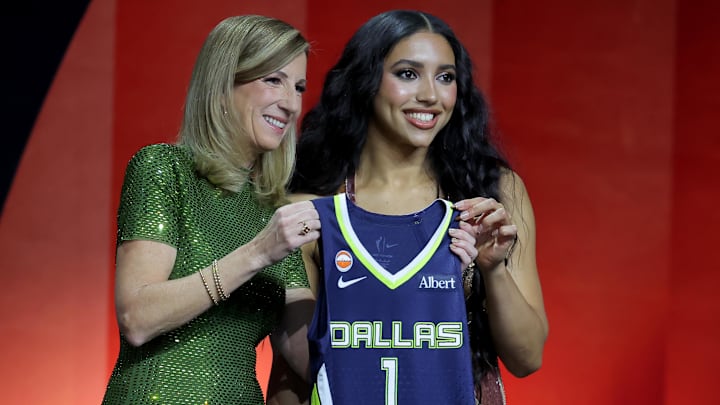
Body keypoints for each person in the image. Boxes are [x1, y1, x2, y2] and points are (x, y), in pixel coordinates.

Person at [272, 9, 549, 405]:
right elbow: (295, 372)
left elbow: (527, 358)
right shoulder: (311, 211)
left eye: (445, 77)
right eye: (407, 74)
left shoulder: (494, 193)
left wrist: (493, 268)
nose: (431, 96)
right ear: (365, 82)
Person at [101, 15, 321, 405]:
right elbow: (137, 318)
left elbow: (312, 361)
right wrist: (257, 253)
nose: (290, 103)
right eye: (273, 79)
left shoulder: (271, 213)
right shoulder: (163, 168)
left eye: (299, 86)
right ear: (223, 84)